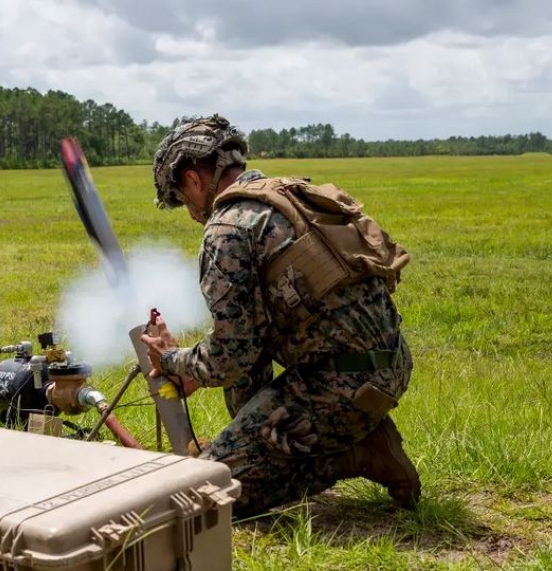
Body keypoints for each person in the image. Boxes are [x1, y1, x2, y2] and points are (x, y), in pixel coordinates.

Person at [140, 114, 421, 518]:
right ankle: (275, 448)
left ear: (193, 180)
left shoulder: (226, 228)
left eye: (183, 199)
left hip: (341, 389)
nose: (190, 213)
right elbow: (248, 340)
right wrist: (196, 368)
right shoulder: (287, 197)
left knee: (207, 494)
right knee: (241, 404)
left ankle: (354, 453)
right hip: (388, 368)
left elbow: (230, 357)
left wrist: (172, 360)